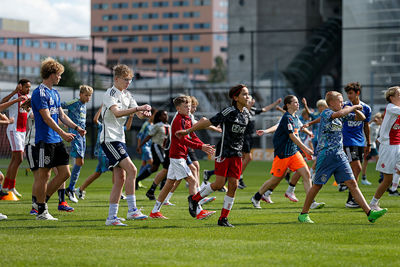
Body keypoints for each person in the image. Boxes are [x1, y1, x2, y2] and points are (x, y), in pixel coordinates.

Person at [298, 91, 387, 224]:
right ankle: (303, 214)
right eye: (340, 100)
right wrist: (352, 107)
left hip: (340, 155)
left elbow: (362, 118)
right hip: (326, 154)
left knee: (352, 183)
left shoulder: (343, 114)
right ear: (332, 102)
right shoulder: (327, 113)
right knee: (317, 185)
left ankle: (370, 213)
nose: (343, 102)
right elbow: (339, 114)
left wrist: (355, 108)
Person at [177, 84, 252, 227]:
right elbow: (208, 122)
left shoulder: (246, 114)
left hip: (236, 154)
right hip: (224, 152)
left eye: (247, 94)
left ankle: (223, 219)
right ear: (235, 97)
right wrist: (188, 131)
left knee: (234, 185)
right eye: (244, 94)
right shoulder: (229, 111)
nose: (247, 96)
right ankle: (194, 199)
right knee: (218, 184)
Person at [31, 57, 86, 220]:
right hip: (45, 140)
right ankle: (41, 210)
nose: (60, 77)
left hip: (56, 139)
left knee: (65, 173)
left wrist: (76, 128)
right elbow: (47, 118)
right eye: (59, 74)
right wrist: (63, 133)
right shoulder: (39, 93)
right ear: (51, 74)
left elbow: (61, 115)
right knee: (44, 175)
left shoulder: (54, 93)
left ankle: (42, 202)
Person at [100, 64, 152, 226]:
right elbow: (117, 113)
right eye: (125, 80)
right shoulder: (110, 93)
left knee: (120, 179)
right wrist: (138, 108)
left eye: (130, 80)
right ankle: (132, 210)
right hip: (109, 139)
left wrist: (144, 113)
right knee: (132, 170)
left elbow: (138, 114)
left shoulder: (127, 95)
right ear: (116, 79)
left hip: (118, 139)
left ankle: (112, 218)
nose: (128, 82)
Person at [149, 96, 215, 220]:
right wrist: (201, 147)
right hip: (176, 156)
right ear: (178, 108)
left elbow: (192, 135)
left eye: (189, 105)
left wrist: (202, 145)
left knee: (169, 184)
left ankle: (154, 211)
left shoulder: (187, 118)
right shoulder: (179, 120)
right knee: (192, 181)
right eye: (186, 106)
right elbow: (183, 139)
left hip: (180, 156)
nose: (189, 108)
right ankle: (198, 210)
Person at [250, 95, 315, 210]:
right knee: (275, 179)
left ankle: (311, 202)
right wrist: (305, 149)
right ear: (288, 105)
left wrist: (307, 134)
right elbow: (292, 136)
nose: (297, 104)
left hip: (294, 153)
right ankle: (256, 197)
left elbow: (298, 131)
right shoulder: (287, 118)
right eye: (295, 102)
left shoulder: (295, 117)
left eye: (297, 102)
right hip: (283, 154)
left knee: (306, 174)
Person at [22, 99, 74, 215]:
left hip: (48, 143)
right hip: (33, 144)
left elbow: (58, 118)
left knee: (61, 173)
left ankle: (48, 201)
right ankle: (35, 206)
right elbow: (39, 116)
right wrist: (50, 113)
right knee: (39, 176)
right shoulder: (34, 110)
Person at [340, 82, 372, 208]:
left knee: (355, 169)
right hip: (348, 141)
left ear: (357, 93)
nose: (348, 96)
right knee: (357, 168)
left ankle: (350, 194)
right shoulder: (345, 107)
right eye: (347, 93)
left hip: (359, 141)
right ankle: (350, 198)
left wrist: (368, 143)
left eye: (351, 93)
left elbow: (366, 125)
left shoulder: (366, 108)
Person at [60, 85, 93, 203]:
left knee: (80, 162)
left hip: (81, 135)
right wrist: (62, 121)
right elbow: (60, 105)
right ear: (80, 94)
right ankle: (70, 189)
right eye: (86, 95)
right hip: (74, 134)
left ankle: (70, 188)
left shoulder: (84, 106)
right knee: (79, 161)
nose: (88, 98)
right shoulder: (74, 102)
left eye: (90, 96)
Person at [369, 86, 400, 210]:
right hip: (388, 147)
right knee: (387, 180)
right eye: (399, 94)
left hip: (397, 145)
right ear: (391, 98)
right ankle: (373, 204)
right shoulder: (391, 107)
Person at [1, 79, 31, 197]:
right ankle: (11, 187)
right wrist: (14, 92)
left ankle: (5, 187)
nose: (28, 89)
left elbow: (29, 113)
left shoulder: (28, 98)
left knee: (15, 159)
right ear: (20, 87)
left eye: (29, 87)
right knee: (19, 158)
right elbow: (2, 103)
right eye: (26, 87)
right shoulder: (15, 97)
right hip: (14, 130)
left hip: (23, 131)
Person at [135, 110, 170, 188]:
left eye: (166, 115)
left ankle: (137, 180)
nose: (166, 116)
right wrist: (140, 146)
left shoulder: (168, 126)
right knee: (166, 165)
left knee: (154, 168)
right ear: (160, 117)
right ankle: (162, 184)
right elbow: (149, 136)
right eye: (164, 115)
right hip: (156, 147)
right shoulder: (157, 126)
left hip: (163, 148)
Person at [361, 112, 383, 187]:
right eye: (380, 119)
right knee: (366, 161)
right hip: (367, 145)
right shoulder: (372, 125)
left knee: (377, 159)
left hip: (372, 145)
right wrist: (372, 121)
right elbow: (366, 127)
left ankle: (381, 176)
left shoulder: (379, 126)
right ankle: (363, 178)